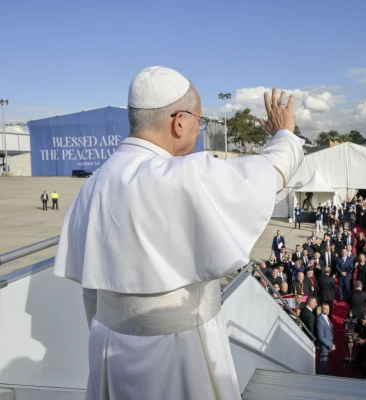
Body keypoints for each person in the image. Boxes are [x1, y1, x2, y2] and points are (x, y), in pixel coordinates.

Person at [53, 66, 304, 400]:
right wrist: (284, 134)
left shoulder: (92, 184)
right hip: (181, 354)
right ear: (179, 120)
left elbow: (91, 292)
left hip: (109, 351)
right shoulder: (184, 174)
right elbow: (268, 173)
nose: (199, 130)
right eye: (200, 120)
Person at [315, 303, 335, 375]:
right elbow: (321, 337)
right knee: (322, 364)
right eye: (325, 309)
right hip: (324, 346)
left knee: (324, 363)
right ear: (321, 309)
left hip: (326, 344)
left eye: (328, 309)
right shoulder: (320, 320)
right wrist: (330, 345)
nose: (327, 311)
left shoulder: (325, 317)